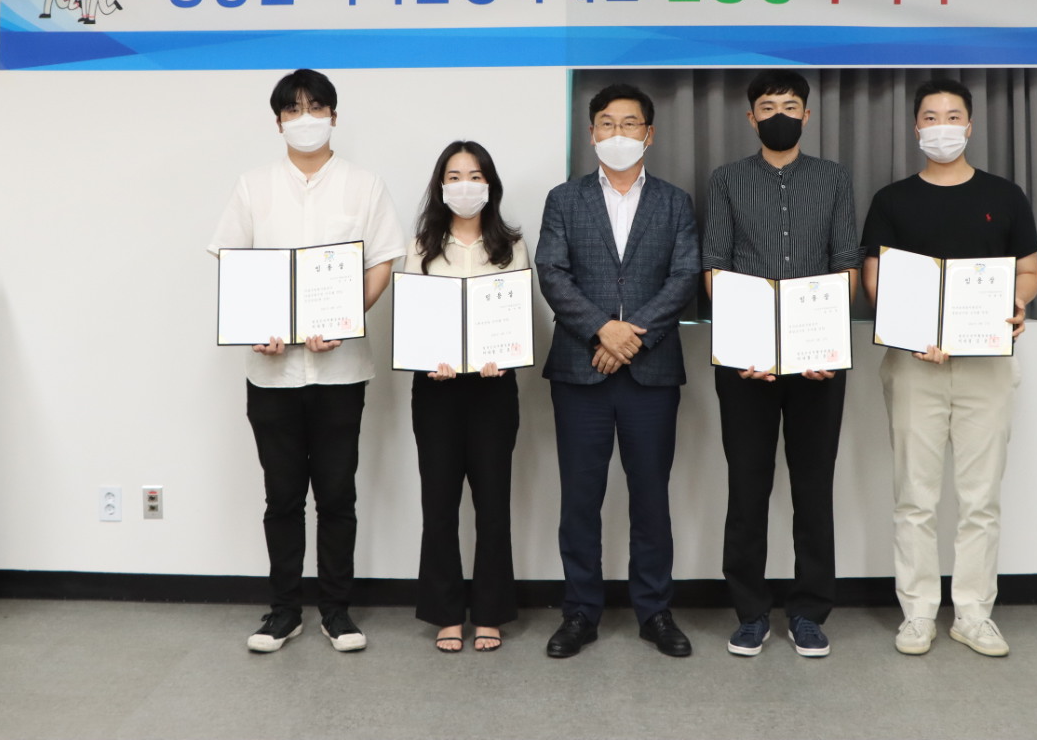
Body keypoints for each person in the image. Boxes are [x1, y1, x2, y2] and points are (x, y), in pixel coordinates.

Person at [208, 68, 407, 655]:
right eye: (292, 110)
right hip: (270, 372)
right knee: (282, 497)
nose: (305, 119)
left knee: (338, 495)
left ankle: (337, 611)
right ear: (278, 123)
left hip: (341, 371)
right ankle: (284, 611)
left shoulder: (364, 185)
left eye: (315, 107)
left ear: (334, 116)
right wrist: (255, 325)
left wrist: (345, 316)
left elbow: (383, 261)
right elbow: (233, 263)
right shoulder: (253, 186)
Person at [860, 78, 1037, 659]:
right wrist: (912, 331)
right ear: (917, 127)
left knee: (980, 498)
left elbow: (1028, 271)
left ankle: (973, 614)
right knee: (915, 497)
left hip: (986, 365)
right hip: (914, 365)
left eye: (953, 116)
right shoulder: (892, 200)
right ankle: (917, 613)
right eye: (931, 117)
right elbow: (875, 280)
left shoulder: (1005, 195)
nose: (942, 126)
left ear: (970, 125)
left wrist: (1016, 305)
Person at [534, 82, 700, 659]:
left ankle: (655, 612)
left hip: (651, 373)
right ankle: (580, 612)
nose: (618, 133)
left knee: (651, 497)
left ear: (649, 134)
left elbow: (685, 276)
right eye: (607, 123)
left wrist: (630, 336)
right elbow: (552, 272)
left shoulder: (675, 202)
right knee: (580, 498)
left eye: (630, 124)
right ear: (591, 134)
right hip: (580, 370)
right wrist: (602, 329)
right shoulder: (564, 199)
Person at [702, 69, 860, 658]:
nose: (779, 115)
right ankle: (749, 612)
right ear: (751, 118)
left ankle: (809, 612)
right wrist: (748, 344)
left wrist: (822, 345)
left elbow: (846, 264)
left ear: (807, 115)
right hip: (745, 365)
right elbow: (715, 267)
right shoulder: (727, 180)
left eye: (790, 106)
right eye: (767, 107)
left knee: (813, 489)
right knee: (747, 488)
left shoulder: (834, 179)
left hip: (818, 363)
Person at [407, 140, 527, 654]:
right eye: (454, 176)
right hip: (435, 391)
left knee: (493, 504)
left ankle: (491, 612)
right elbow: (414, 319)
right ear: (441, 186)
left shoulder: (511, 245)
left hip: (493, 389)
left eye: (475, 176)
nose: (465, 186)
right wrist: (427, 357)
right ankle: (446, 613)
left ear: (489, 185)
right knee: (439, 504)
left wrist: (504, 353)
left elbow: (518, 316)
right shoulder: (421, 246)